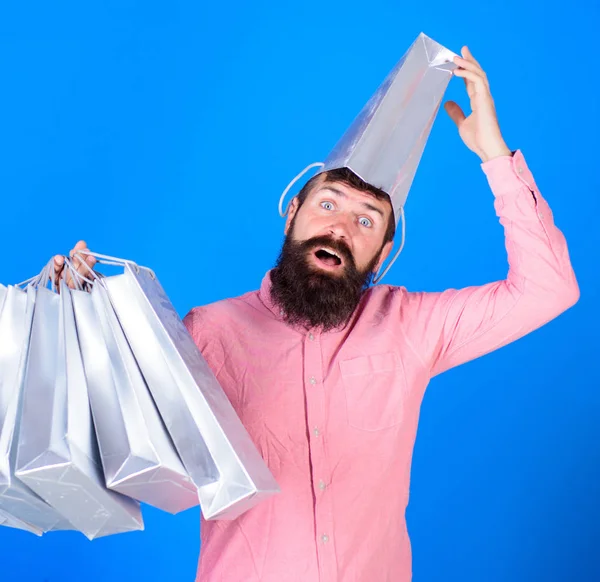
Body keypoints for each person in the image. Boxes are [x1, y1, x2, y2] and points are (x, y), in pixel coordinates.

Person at [58, 46, 579, 581]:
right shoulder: (209, 331)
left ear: (382, 253)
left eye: (366, 220)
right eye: (327, 204)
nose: (340, 228)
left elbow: (549, 288)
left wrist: (493, 154)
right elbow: (154, 473)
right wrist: (80, 321)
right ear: (292, 215)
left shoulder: (412, 326)